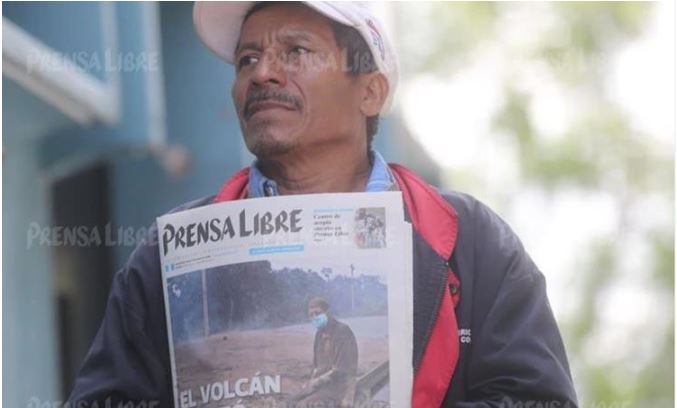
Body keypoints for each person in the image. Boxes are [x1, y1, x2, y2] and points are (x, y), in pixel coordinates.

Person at [68, 2, 579, 407]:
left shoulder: (475, 243)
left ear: (371, 92)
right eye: (247, 59)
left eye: (295, 51)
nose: (263, 72)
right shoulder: (167, 253)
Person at [291, 297, 358, 407]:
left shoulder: (342, 331)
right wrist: (309, 385)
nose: (314, 317)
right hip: (321, 385)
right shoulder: (319, 334)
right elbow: (316, 367)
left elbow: (340, 370)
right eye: (311, 315)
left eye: (317, 313)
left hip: (338, 386)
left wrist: (315, 383)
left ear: (328, 312)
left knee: (303, 405)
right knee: (291, 400)